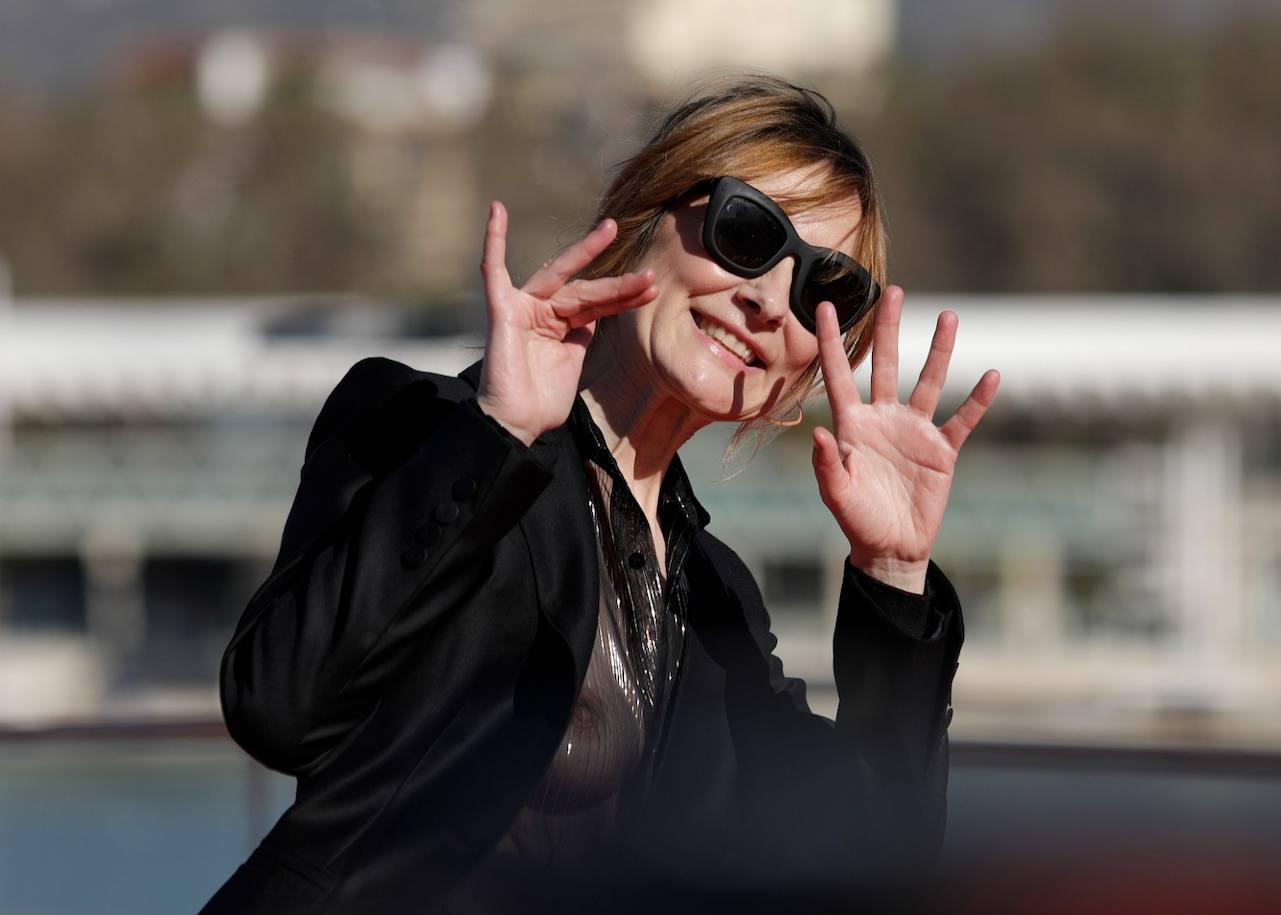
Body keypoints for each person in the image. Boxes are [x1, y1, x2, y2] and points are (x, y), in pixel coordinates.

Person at [201, 76, 999, 914]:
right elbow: (280, 711)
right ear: (647, 216)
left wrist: (892, 572)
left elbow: (876, 855)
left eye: (821, 292)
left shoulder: (713, 595)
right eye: (748, 232)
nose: (769, 300)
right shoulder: (432, 433)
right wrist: (497, 435)